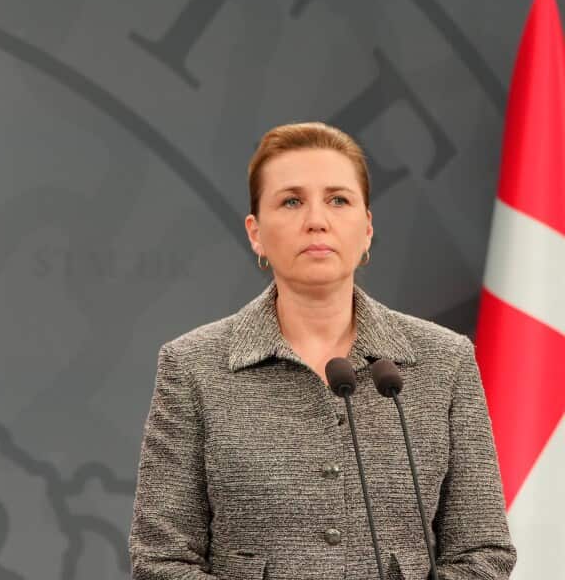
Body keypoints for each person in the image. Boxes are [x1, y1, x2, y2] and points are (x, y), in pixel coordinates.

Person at [129, 122, 515, 580]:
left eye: (338, 200)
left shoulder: (444, 360)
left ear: (367, 227)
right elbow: (162, 559)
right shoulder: (193, 365)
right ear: (255, 232)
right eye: (292, 201)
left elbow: (483, 550)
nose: (317, 219)